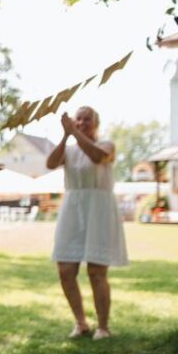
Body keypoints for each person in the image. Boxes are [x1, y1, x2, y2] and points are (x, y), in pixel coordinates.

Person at [47, 107, 128, 340]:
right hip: (73, 209)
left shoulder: (107, 145)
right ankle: (80, 322)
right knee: (65, 270)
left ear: (96, 123)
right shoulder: (69, 150)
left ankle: (103, 326)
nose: (82, 122)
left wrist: (74, 132)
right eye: (78, 119)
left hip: (99, 210)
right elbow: (51, 163)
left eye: (87, 119)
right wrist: (65, 136)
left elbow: (97, 157)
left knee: (96, 272)